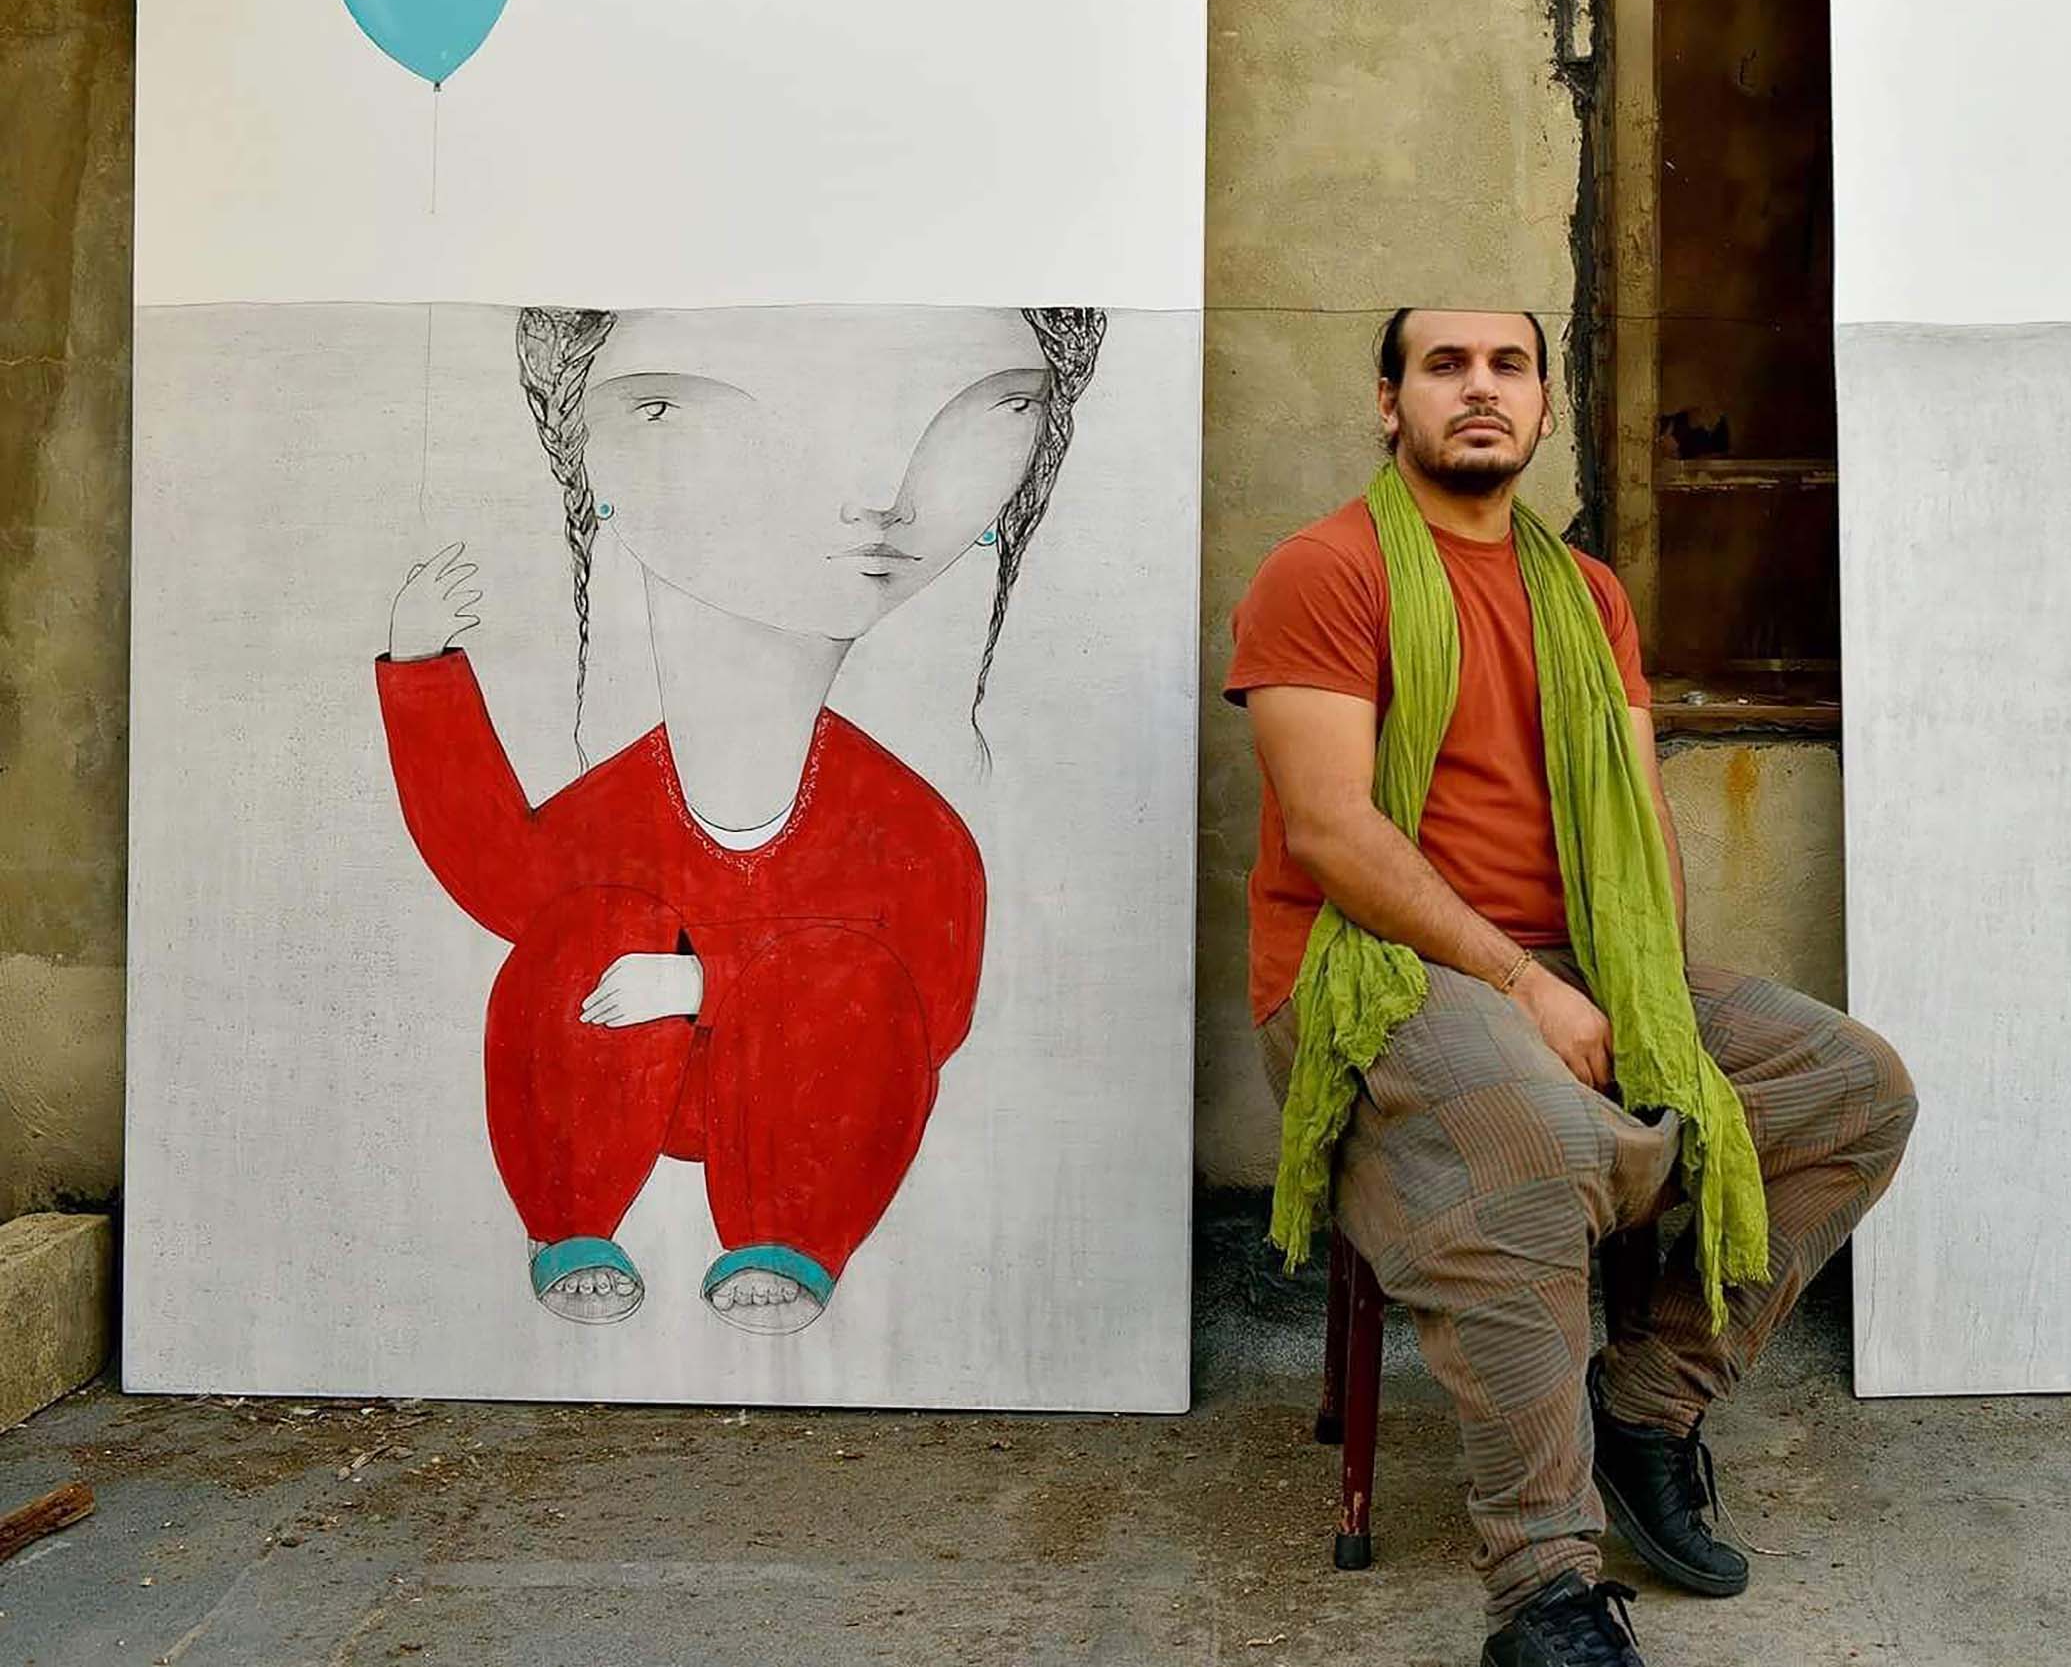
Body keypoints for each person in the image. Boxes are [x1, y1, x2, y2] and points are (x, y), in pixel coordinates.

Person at [1228, 307, 1918, 1666]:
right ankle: (1542, 1586)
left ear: (1543, 407)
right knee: (1538, 1146)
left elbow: (1640, 819)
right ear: (1389, 403)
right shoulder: (1324, 571)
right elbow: (1330, 831)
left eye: (1507, 367)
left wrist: (1644, 993)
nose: (1478, 389)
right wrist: (1523, 991)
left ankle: (1647, 1406)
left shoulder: (1588, 593)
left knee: (1853, 1087)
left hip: (1579, 967)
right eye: (1444, 366)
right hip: (1371, 974)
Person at [378, 304, 1104, 1335]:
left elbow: (930, 1007)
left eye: (995, 406)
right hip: (620, 1067)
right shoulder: (629, 799)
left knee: (851, 968)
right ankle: (569, 1215)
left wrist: (711, 979)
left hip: (810, 1103)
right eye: (676, 409)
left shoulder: (905, 823)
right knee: (590, 924)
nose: (876, 498)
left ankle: (792, 1235)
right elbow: (508, 881)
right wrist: (421, 677)